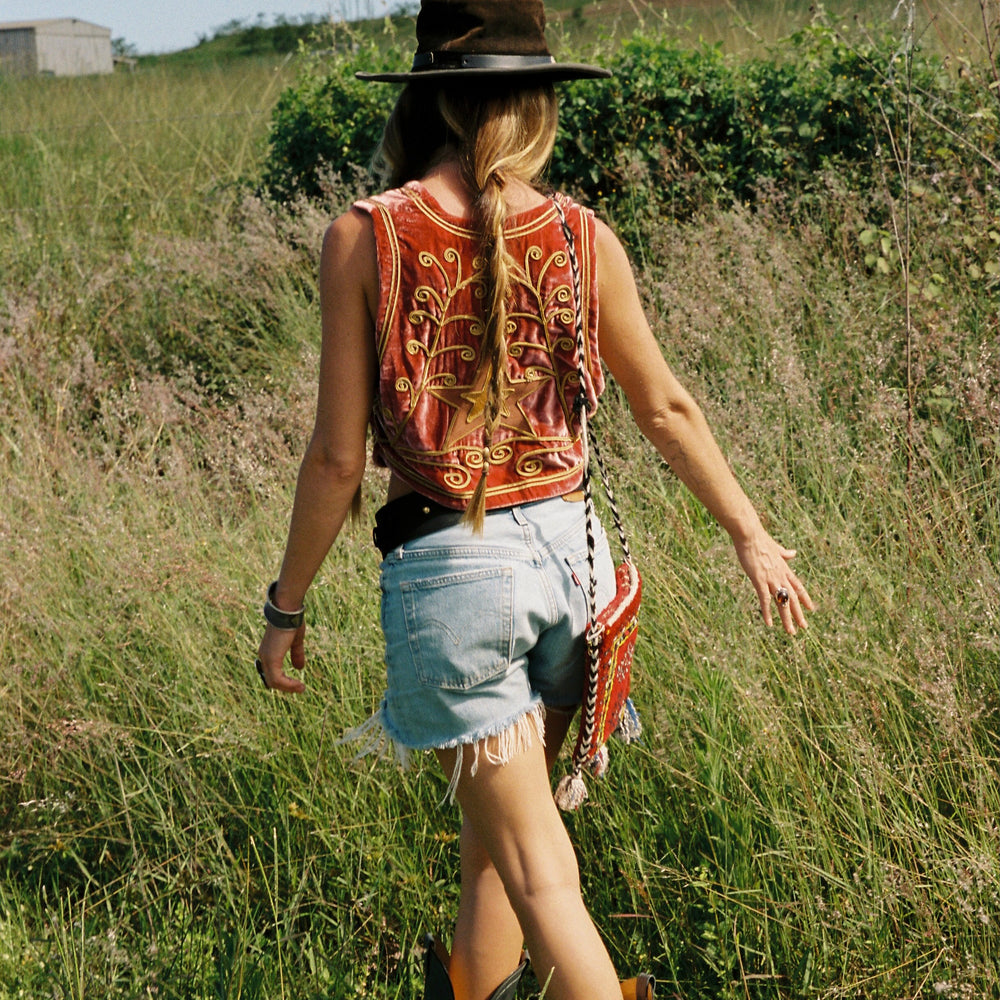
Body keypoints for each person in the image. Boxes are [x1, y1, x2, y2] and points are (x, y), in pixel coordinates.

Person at [254, 2, 814, 999]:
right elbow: (666, 406)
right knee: (492, 846)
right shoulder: (582, 234)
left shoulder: (366, 237)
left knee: (535, 867)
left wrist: (286, 603)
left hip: (457, 582)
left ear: (427, 96)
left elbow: (339, 457)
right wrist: (751, 534)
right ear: (537, 102)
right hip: (573, 567)